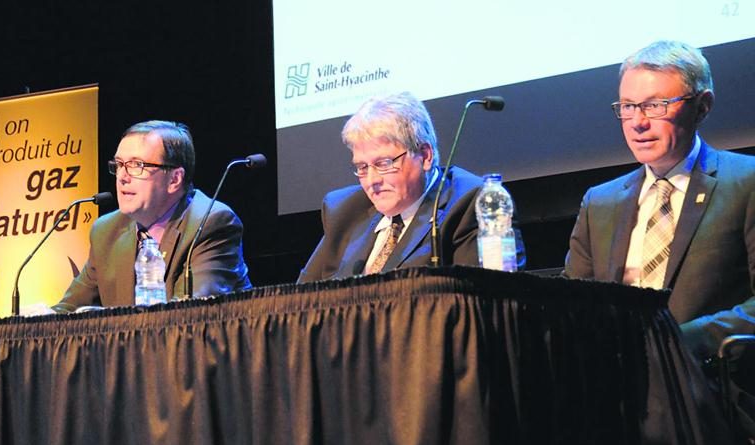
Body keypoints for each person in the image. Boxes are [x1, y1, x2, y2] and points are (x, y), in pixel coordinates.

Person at [564, 40, 755, 365]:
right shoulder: (599, 202)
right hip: (618, 387)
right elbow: (571, 304)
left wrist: (675, 344)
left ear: (702, 106)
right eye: (627, 106)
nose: (638, 122)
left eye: (655, 105)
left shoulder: (745, 182)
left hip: (710, 387)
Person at [298, 91, 524, 283]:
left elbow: (481, 303)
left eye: (384, 163)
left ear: (425, 156)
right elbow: (300, 302)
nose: (371, 180)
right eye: (362, 167)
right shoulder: (345, 211)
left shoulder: (470, 203)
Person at [53, 120, 251, 312]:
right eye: (120, 164)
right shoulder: (106, 231)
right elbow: (69, 309)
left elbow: (190, 312)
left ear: (174, 179)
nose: (122, 177)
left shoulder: (211, 223)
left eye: (136, 165)